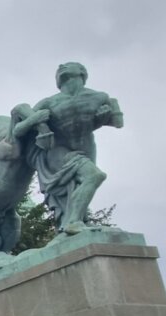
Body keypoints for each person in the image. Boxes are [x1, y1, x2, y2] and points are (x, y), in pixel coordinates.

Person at [28, 62, 124, 235]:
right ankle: (74, 222)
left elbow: (118, 123)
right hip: (58, 151)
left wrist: (101, 119)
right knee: (94, 175)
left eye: (69, 65)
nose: (61, 66)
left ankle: (72, 223)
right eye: (59, 69)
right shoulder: (48, 103)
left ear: (82, 72)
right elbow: (23, 126)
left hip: (86, 149)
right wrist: (39, 125)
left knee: (82, 186)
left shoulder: (100, 97)